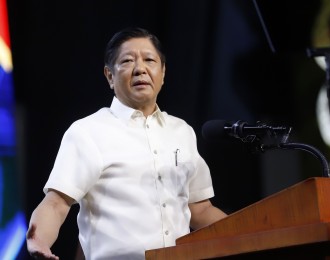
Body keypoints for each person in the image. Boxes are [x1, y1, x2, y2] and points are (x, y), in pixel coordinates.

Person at [26, 26, 228, 260]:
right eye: (127, 61)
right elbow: (56, 204)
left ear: (163, 73)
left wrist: (254, 233)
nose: (140, 69)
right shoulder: (87, 132)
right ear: (109, 76)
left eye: (150, 60)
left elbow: (200, 210)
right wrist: (37, 242)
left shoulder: (182, 131)